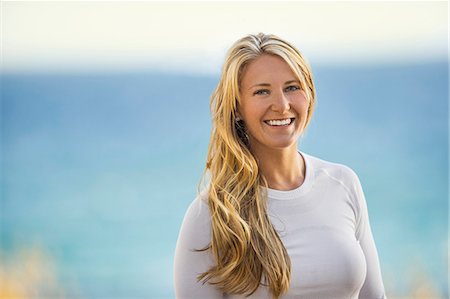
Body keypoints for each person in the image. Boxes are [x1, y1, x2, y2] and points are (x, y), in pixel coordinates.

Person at [173, 32, 386, 299]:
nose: (282, 105)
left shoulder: (343, 183)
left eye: (292, 87)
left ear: (309, 94)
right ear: (237, 107)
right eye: (262, 91)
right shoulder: (211, 215)